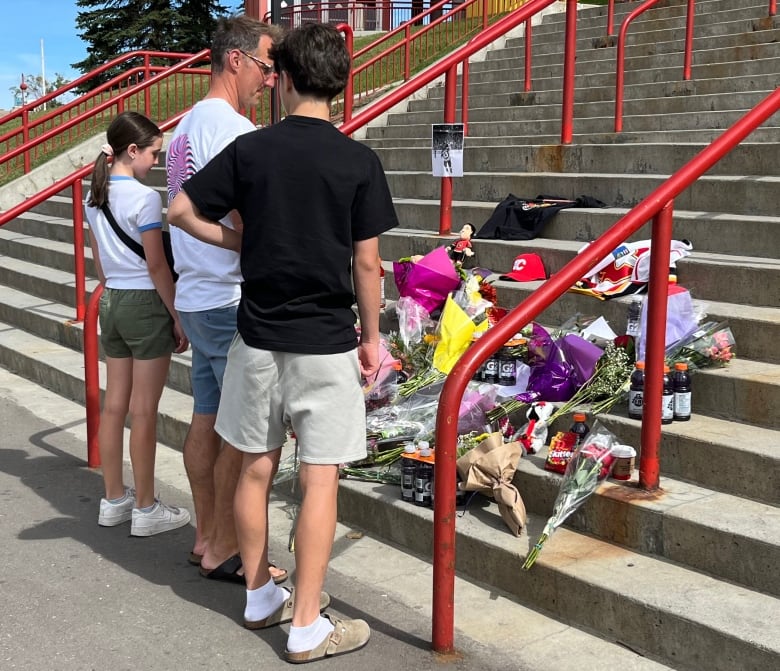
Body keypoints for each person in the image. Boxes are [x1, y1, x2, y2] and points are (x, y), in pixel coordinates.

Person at [167, 22, 399, 663]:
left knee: (255, 467)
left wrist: (243, 244)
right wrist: (373, 339)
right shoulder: (357, 160)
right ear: (341, 85)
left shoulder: (251, 151)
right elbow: (368, 265)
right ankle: (306, 624)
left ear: (285, 79)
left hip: (257, 334)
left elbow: (181, 211)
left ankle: (259, 596)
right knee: (319, 478)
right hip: (324, 340)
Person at [165, 15, 287, 583]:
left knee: (206, 417)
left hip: (195, 289)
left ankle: (205, 535)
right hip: (226, 292)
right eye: (265, 65)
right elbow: (245, 212)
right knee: (246, 429)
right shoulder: (233, 130)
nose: (268, 79)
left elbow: (182, 209)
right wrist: (243, 241)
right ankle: (225, 545)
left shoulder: (185, 127)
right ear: (235, 59)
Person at [85, 111, 190, 536]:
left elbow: (100, 263)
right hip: (145, 304)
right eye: (153, 154)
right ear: (132, 151)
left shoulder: (95, 194)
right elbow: (157, 266)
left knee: (115, 405)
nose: (156, 163)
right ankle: (146, 508)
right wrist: (176, 315)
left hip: (110, 300)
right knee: (144, 410)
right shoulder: (146, 199)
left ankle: (113, 499)